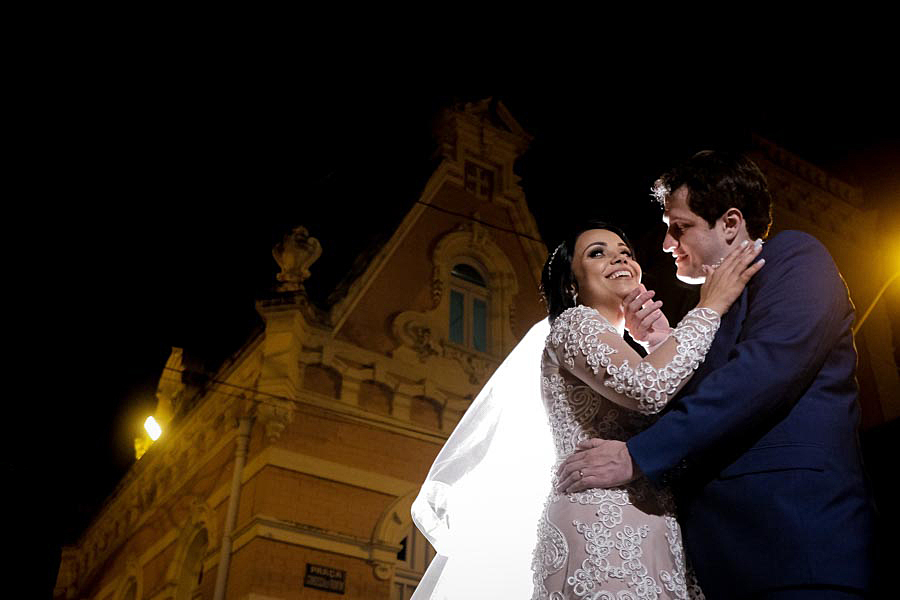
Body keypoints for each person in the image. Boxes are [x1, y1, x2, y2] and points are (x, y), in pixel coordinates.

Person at [557, 152, 877, 599]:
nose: (666, 243)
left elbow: (762, 374)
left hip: (793, 545)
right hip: (713, 564)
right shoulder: (701, 313)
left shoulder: (795, 258)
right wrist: (664, 344)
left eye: (680, 226)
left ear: (729, 223)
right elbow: (696, 399)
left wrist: (638, 455)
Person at [411, 219, 762, 599]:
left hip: (657, 527)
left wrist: (661, 339)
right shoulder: (573, 324)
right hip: (600, 524)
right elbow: (647, 388)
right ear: (571, 285)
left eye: (624, 252)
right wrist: (709, 306)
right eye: (598, 253)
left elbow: (684, 416)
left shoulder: (630, 348)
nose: (618, 259)